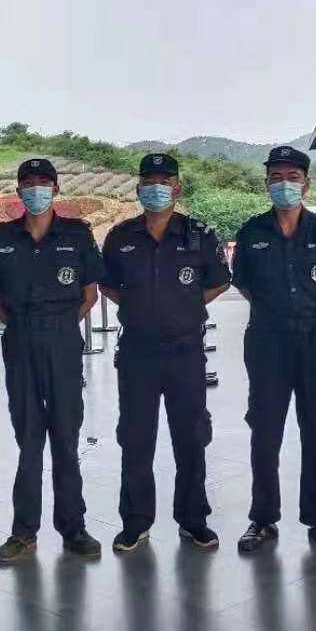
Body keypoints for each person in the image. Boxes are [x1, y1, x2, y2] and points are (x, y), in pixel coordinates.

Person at [100, 153, 232, 553]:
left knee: (191, 437)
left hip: (184, 352)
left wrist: (184, 307)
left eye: (164, 181)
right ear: (138, 188)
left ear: (177, 188)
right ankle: (135, 522)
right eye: (149, 181)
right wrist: (141, 308)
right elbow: (108, 285)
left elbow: (219, 281)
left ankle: (193, 519)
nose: (156, 188)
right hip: (137, 353)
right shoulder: (120, 236)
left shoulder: (199, 234)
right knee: (136, 438)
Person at [0, 158, 107, 563]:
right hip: (21, 340)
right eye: (29, 183)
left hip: (63, 342)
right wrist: (23, 327)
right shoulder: (0, 237)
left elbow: (90, 294)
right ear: (19, 191)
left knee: (66, 437)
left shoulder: (78, 234)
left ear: (56, 189)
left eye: (43, 182)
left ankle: (74, 528)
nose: (36, 189)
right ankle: (23, 532)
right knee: (29, 439)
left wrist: (60, 326)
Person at [230, 145, 316, 555]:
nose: (284, 184)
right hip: (267, 340)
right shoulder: (252, 232)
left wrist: (310, 309)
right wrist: (277, 311)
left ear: (306, 184)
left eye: (293, 177)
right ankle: (262, 518)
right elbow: (243, 283)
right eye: (276, 178)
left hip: (314, 339)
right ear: (266, 183)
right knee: (265, 429)